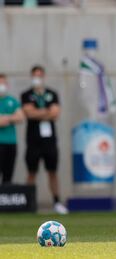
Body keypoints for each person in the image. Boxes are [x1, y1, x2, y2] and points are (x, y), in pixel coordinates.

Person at [21, 65, 68, 214]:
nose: (38, 78)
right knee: (31, 172)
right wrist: (47, 111)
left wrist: (39, 112)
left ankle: (56, 202)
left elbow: (55, 113)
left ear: (44, 76)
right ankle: (29, 203)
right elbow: (29, 113)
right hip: (33, 139)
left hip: (50, 140)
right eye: (35, 75)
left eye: (40, 75)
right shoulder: (26, 94)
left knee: (52, 171)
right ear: (31, 77)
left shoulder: (52, 94)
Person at [0, 74, 24, 184]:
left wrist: (6, 118)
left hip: (11, 142)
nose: (1, 86)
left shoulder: (12, 101)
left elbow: (20, 116)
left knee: (8, 174)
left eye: (3, 83)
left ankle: (5, 198)